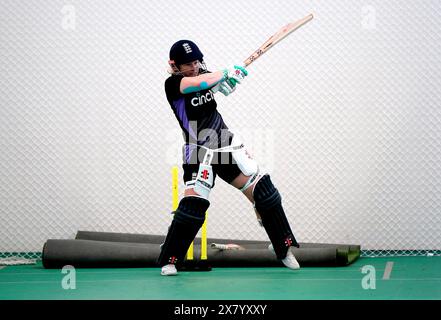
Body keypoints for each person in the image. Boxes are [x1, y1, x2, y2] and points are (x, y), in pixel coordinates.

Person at [158, 39, 300, 276]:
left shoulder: (203, 74)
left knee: (265, 193)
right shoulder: (174, 84)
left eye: (196, 62)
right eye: (187, 64)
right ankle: (171, 258)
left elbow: (214, 83)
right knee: (193, 207)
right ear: (174, 65)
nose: (193, 67)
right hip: (198, 151)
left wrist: (229, 80)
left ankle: (283, 249)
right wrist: (225, 73)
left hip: (225, 145)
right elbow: (197, 83)